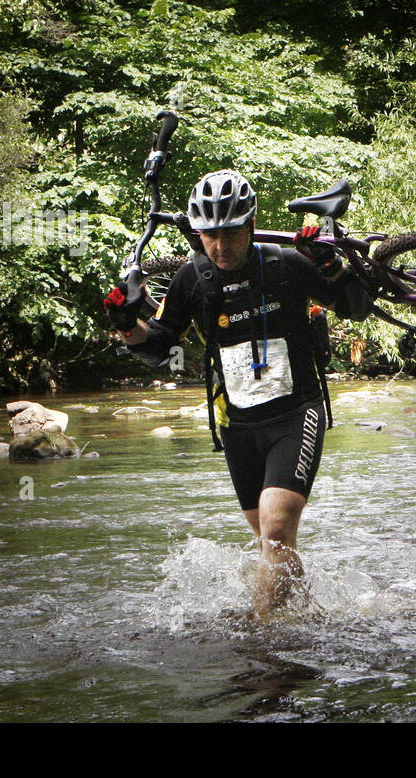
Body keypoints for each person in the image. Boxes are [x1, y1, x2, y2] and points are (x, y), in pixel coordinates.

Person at [103, 169, 368, 617]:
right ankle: (307, 622)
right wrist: (127, 325)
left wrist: (330, 265)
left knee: (277, 530)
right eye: (209, 237)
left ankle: (264, 640)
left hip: (295, 413)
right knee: (272, 545)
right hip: (238, 426)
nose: (220, 248)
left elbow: (356, 307)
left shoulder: (286, 264)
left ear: (249, 226)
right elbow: (160, 346)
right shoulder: (193, 279)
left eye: (230, 235)